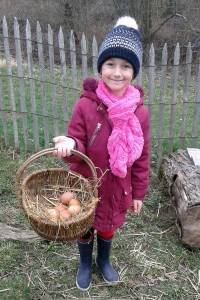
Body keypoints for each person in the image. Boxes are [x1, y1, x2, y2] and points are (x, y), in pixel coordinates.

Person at [53, 16, 150, 291]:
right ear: (100, 67)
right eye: (110, 64)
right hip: (84, 182)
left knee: (107, 226)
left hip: (117, 186)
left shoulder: (139, 112)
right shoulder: (85, 105)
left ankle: (104, 261)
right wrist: (70, 145)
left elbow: (142, 156)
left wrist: (139, 192)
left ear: (134, 71)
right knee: (84, 226)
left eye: (125, 66)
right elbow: (78, 143)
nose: (117, 72)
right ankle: (85, 263)